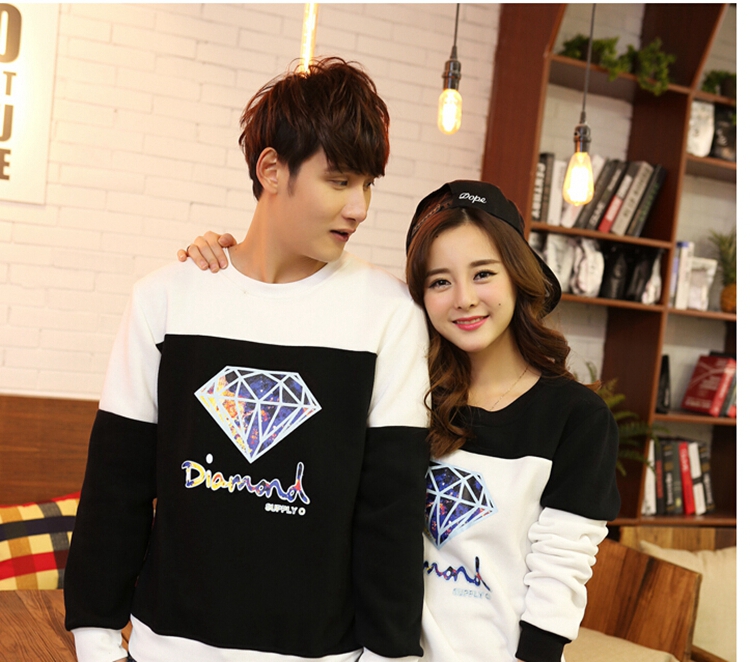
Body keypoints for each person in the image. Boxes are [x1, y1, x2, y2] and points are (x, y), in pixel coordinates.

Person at [64, 57, 431, 662]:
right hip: (165, 650)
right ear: (271, 170)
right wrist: (96, 640)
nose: (360, 207)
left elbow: (390, 513)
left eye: (368, 185)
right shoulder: (166, 298)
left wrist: (388, 653)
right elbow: (116, 484)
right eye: (340, 181)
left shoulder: (389, 314)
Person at [184, 179, 621, 662]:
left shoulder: (576, 419)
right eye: (440, 281)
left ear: (518, 275)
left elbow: (561, 570)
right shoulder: (403, 390)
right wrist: (231, 267)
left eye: (483, 274)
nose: (464, 298)